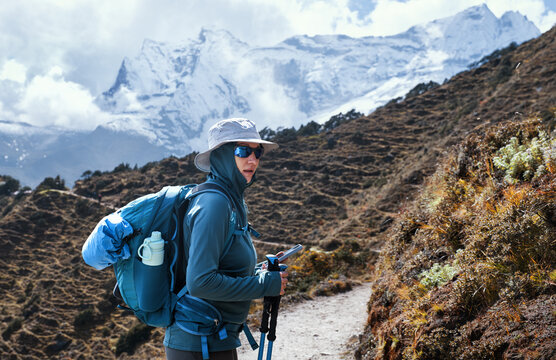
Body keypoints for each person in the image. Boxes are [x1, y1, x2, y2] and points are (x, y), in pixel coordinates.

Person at [164, 118, 288, 360]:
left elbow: (222, 266)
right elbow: (201, 282)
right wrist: (265, 285)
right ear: (221, 156)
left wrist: (260, 272)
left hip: (213, 337)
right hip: (199, 343)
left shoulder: (230, 199)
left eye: (257, 152)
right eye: (243, 151)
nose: (252, 159)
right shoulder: (215, 205)